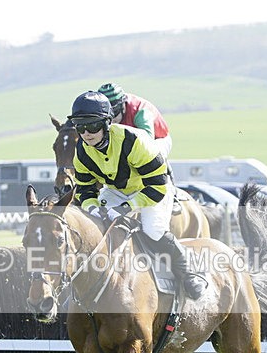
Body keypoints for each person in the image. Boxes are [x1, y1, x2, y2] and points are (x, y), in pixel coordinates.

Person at [68, 90, 206, 299]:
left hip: (151, 189)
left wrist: (125, 208)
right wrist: (93, 207)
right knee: (93, 225)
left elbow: (157, 186)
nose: (86, 133)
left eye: (93, 125)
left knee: (153, 230)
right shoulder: (81, 151)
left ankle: (189, 274)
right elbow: (85, 189)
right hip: (116, 191)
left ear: (106, 123)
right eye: (80, 126)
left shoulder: (134, 141)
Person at [97, 82, 173, 159]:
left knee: (147, 156)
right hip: (130, 139)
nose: (111, 120)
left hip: (158, 140)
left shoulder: (141, 112)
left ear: (123, 105)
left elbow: (147, 142)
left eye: (114, 112)